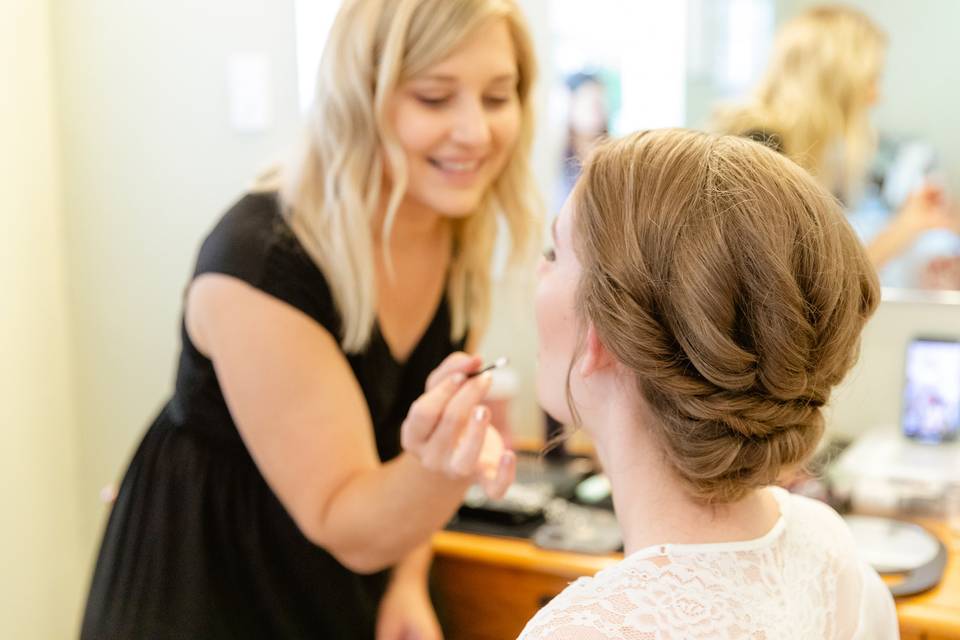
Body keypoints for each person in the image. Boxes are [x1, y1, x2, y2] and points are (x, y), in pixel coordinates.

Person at [80, 1, 539, 638]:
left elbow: (399, 445)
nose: (475, 132)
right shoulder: (260, 262)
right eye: (434, 98)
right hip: (212, 590)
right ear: (359, 99)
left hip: (355, 575)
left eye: (497, 96)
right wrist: (449, 464)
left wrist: (408, 579)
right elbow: (343, 515)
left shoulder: (451, 226)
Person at [521, 129, 898, 639]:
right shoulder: (828, 550)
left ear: (600, 332)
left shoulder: (587, 631)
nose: (537, 277)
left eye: (552, 253)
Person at [713, 5, 957, 269]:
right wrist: (906, 228)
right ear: (837, 82)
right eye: (871, 80)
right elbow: (806, 289)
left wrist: (911, 224)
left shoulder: (793, 152)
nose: (877, 96)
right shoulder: (760, 156)